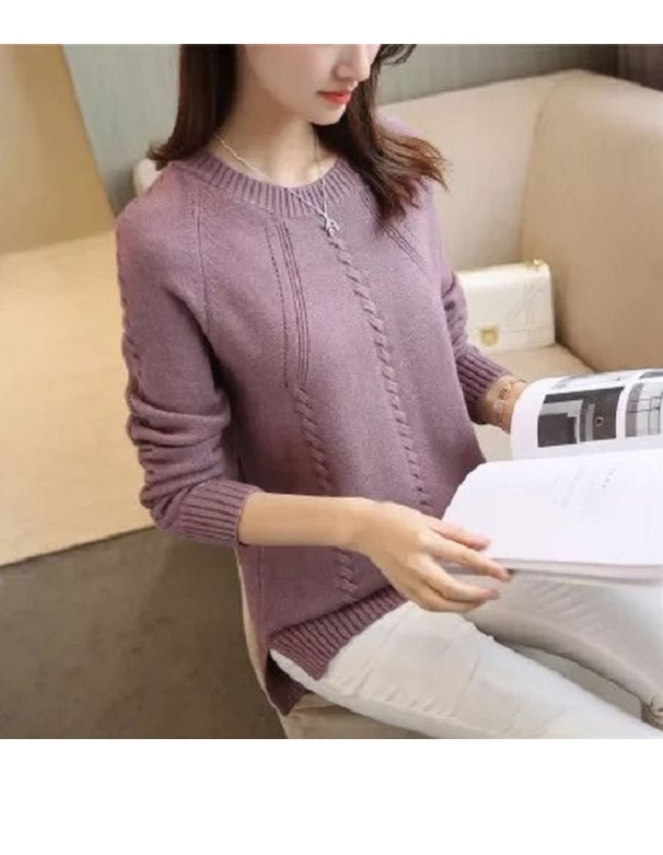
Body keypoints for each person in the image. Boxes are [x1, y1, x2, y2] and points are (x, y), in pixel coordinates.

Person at [114, 44, 662, 738]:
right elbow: (181, 490)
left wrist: (522, 402)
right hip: (339, 611)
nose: (359, 62)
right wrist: (364, 526)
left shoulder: (392, 156)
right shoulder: (164, 237)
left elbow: (445, 349)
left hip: (478, 535)